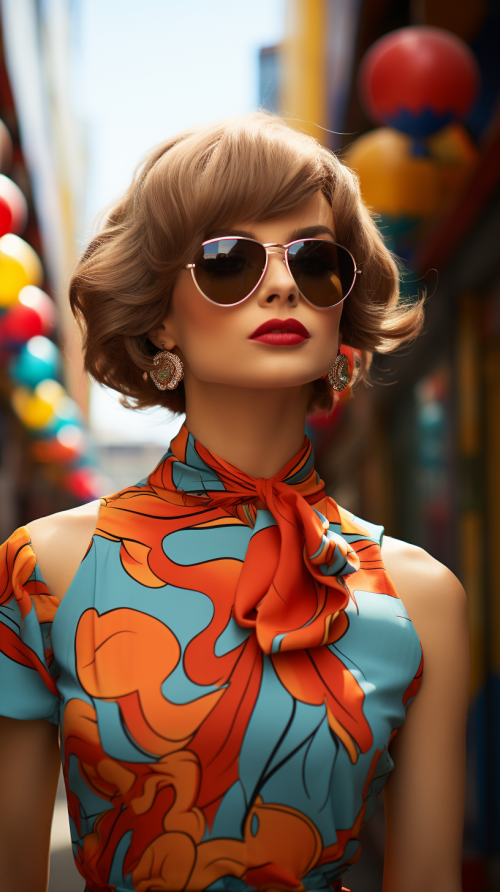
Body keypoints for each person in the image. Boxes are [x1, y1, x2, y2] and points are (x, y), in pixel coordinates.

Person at [0, 113, 468, 892]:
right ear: (158, 318)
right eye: (227, 261)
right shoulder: (45, 567)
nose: (283, 283)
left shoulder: (421, 598)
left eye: (315, 261)